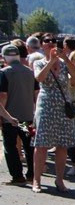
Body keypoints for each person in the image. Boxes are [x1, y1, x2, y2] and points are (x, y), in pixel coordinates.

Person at [31, 34, 75, 193]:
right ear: (42, 45)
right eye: (47, 41)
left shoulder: (64, 63)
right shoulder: (39, 62)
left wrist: (65, 58)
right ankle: (36, 180)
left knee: (62, 144)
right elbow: (39, 78)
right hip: (46, 105)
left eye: (53, 41)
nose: (51, 43)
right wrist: (51, 61)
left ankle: (59, 179)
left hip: (63, 106)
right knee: (41, 144)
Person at [0, 43, 37, 185]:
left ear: (4, 57)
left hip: (10, 118)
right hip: (27, 116)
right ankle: (32, 175)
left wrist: (3, 115)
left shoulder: (4, 72)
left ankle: (17, 176)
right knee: (29, 146)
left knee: (10, 146)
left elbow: (3, 95)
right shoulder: (30, 72)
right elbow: (36, 94)